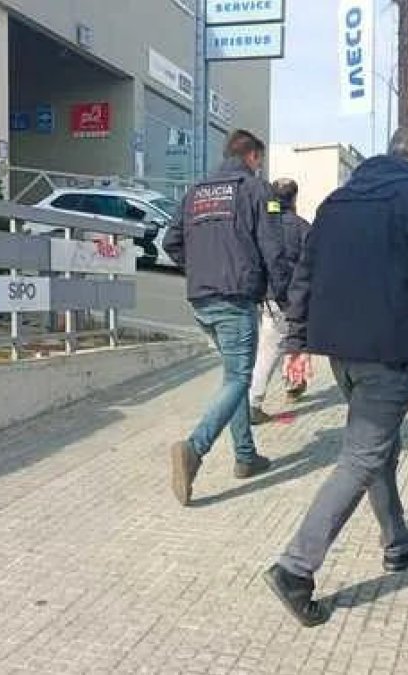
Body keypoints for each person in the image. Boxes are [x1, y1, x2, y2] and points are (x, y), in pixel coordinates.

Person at [264, 122, 408, 627]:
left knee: (379, 449)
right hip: (387, 352)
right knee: (362, 457)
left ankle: (397, 542)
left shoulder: (336, 202)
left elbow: (305, 276)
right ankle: (295, 568)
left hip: (341, 352)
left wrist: (296, 341)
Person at [162, 129, 293, 506]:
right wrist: (282, 293)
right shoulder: (257, 190)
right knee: (239, 378)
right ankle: (193, 449)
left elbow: (171, 242)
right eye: (260, 160)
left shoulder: (195, 192)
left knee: (232, 379)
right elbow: (272, 246)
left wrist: (201, 268)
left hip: (201, 301)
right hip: (235, 299)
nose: (260, 167)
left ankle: (246, 456)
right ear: (252, 156)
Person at [249, 178, 311, 425]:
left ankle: (293, 382)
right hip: (296, 297)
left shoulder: (263, 226)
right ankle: (254, 402)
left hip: (269, 296)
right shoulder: (303, 228)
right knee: (275, 347)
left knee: (277, 342)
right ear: (294, 198)